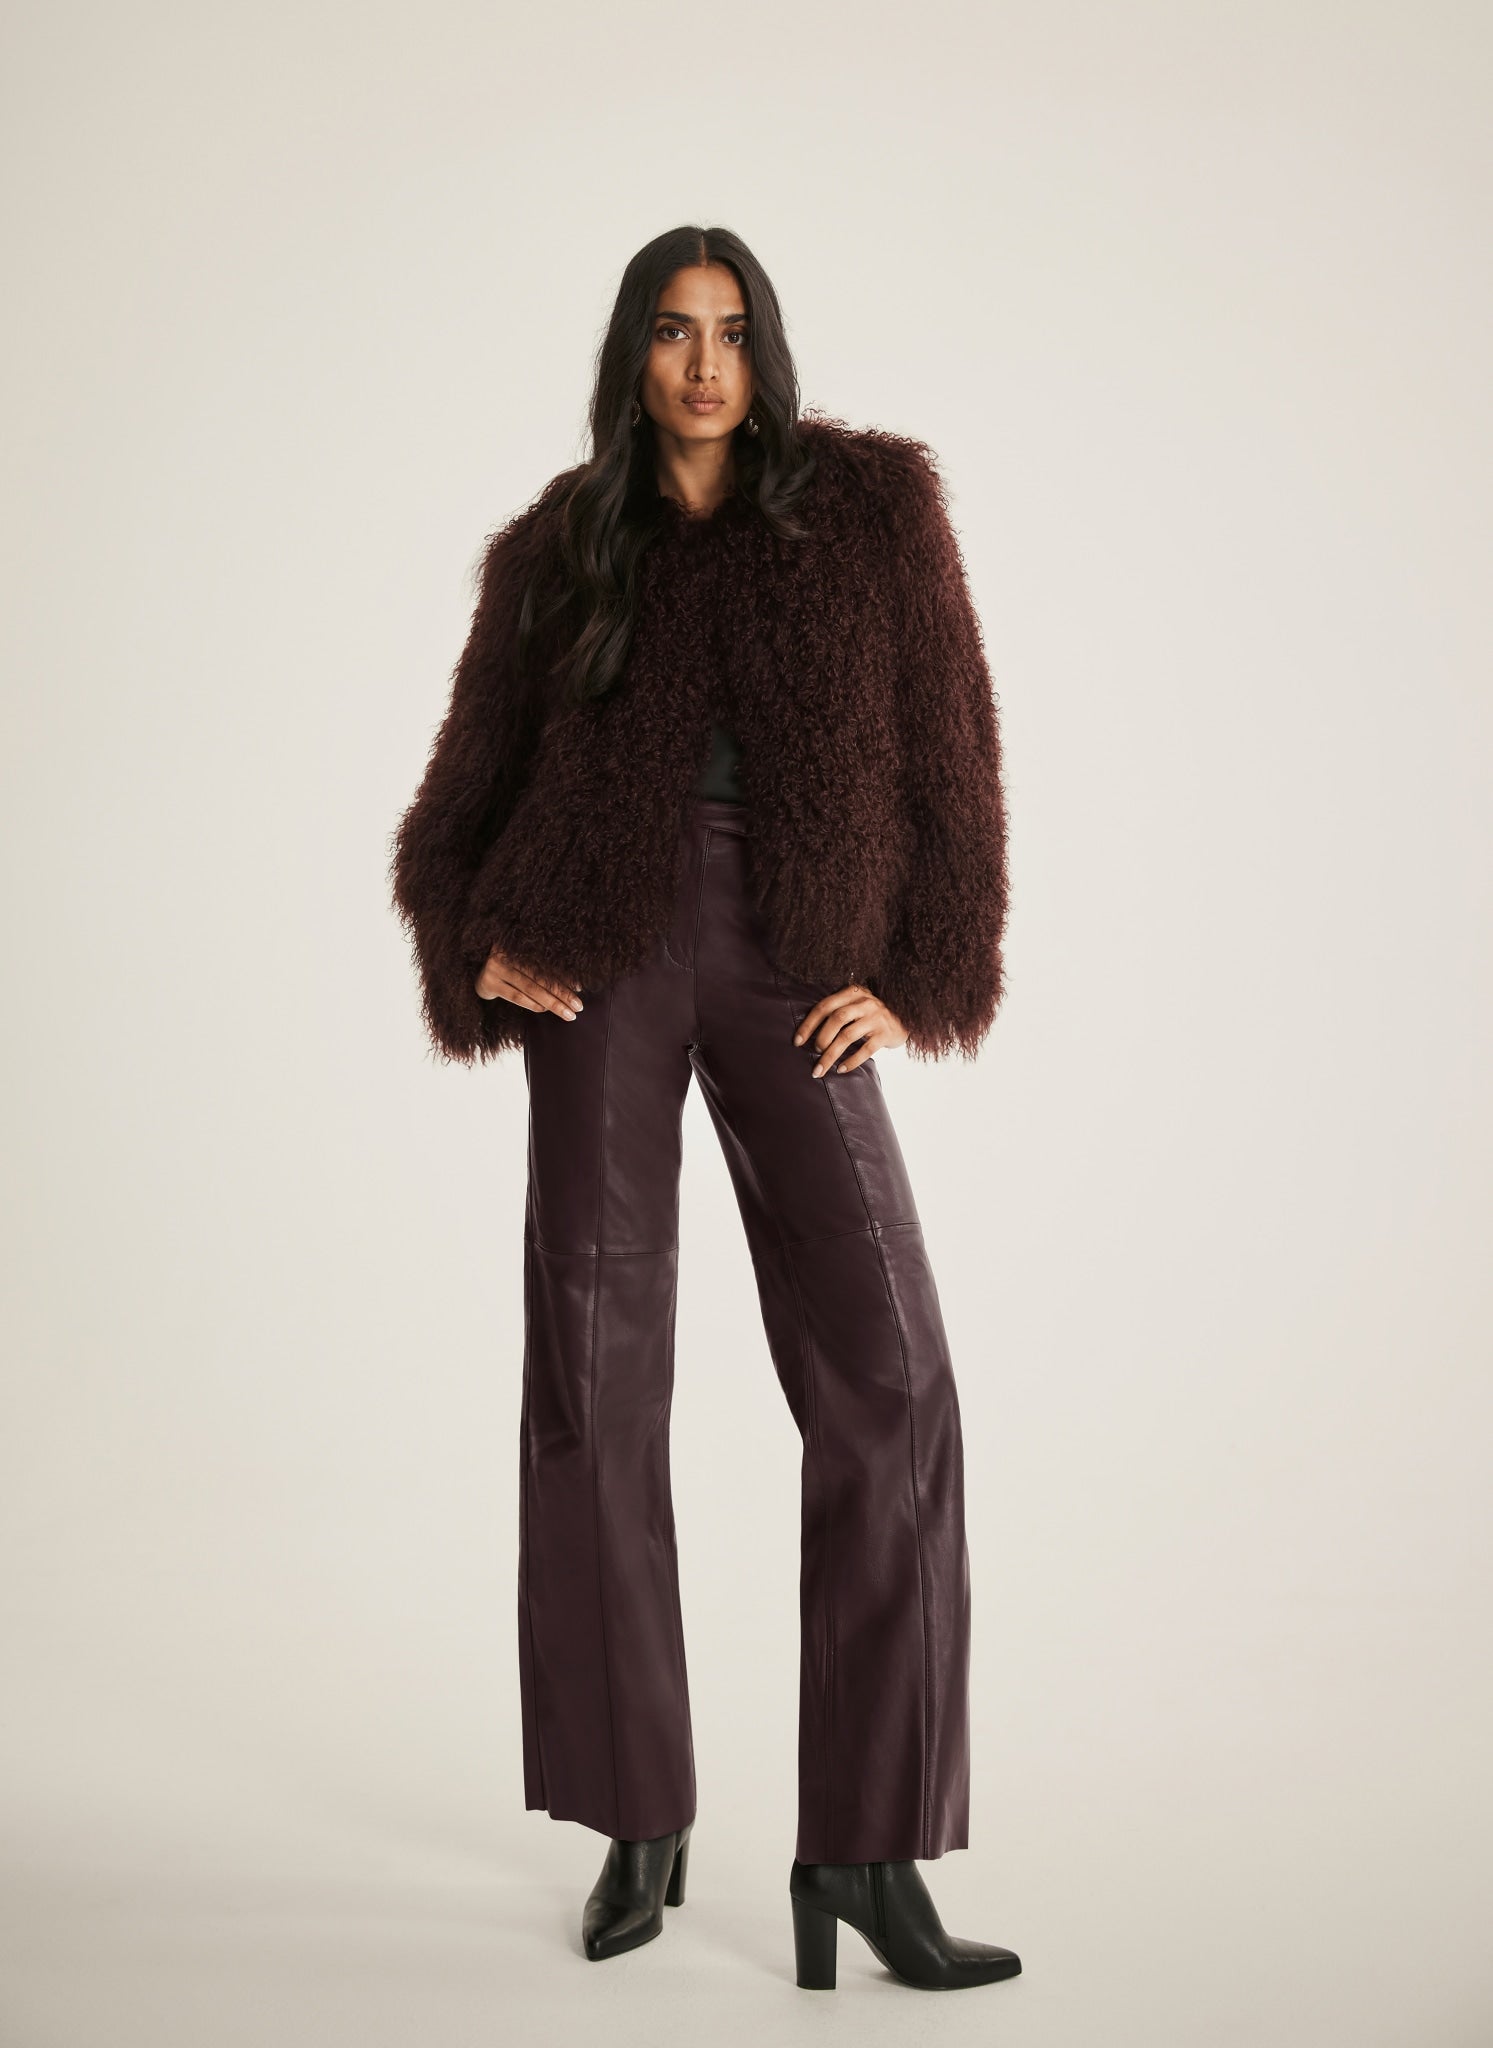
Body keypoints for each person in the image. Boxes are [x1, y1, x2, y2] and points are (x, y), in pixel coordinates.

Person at [389, 225, 1020, 1993]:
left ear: (765, 351)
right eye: (672, 332)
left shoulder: (868, 513)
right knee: (595, 1376)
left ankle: (868, 1852)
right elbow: (465, 786)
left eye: (730, 332)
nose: (702, 364)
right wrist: (475, 941)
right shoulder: (558, 548)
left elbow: (953, 746)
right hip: (594, 950)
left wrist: (922, 969)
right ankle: (635, 1814)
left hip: (792, 948)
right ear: (631, 354)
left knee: (890, 1376)